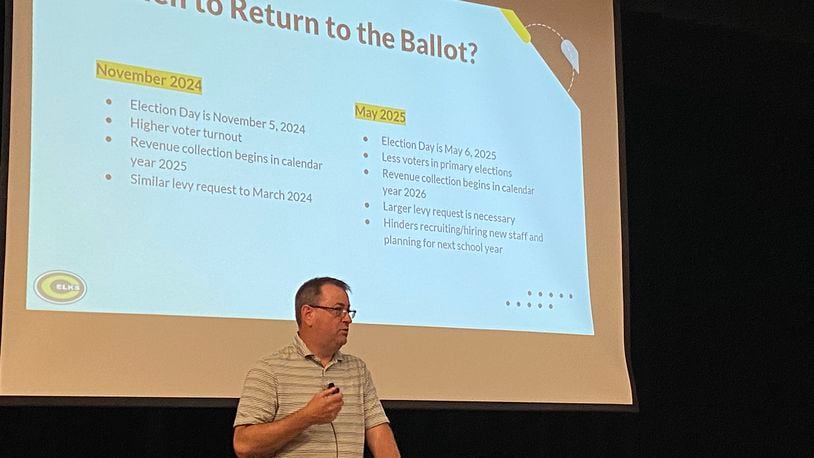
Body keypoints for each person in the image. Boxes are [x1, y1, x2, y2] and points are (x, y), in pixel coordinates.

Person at [233, 277, 400, 457]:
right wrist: (306, 417)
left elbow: (378, 430)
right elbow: (244, 445)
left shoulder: (357, 370)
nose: (347, 319)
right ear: (308, 314)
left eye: (348, 311)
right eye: (338, 310)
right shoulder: (269, 370)